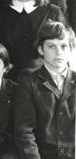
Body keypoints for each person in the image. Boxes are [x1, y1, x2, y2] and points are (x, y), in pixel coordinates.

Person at [14, 21, 75, 159]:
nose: (59, 52)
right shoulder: (28, 84)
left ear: (72, 49)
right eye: (51, 46)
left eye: (64, 46)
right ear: (41, 50)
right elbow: (25, 131)